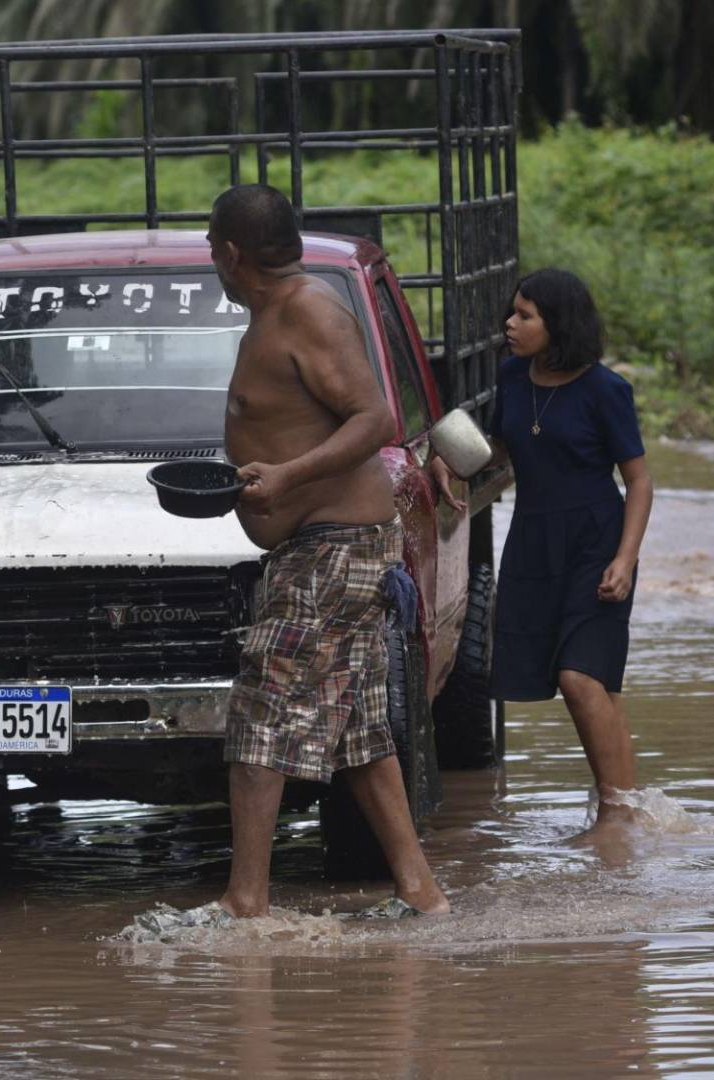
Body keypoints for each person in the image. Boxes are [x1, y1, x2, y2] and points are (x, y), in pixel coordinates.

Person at [208, 183, 448, 918]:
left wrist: (286, 475)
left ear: (229, 254)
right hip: (329, 545)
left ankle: (246, 904)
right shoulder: (275, 312)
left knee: (260, 714)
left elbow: (375, 415)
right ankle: (420, 892)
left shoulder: (307, 309)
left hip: (333, 549)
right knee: (357, 729)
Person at [483, 268, 653, 842]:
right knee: (597, 685)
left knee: (580, 677)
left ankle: (612, 816)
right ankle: (629, 813)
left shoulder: (606, 390)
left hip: (595, 543)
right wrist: (445, 460)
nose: (510, 323)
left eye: (525, 315)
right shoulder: (510, 378)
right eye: (513, 313)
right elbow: (498, 449)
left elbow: (640, 481)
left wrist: (625, 560)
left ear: (559, 325)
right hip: (532, 544)